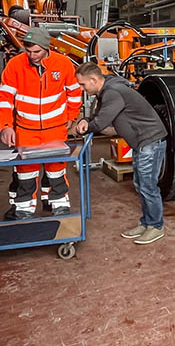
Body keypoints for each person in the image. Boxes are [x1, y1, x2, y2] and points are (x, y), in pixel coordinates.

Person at [72, 62, 167, 244]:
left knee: (148, 186)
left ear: (93, 79)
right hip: (141, 143)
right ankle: (146, 222)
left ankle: (156, 226)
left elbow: (101, 123)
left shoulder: (112, 92)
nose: (81, 88)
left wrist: (86, 127)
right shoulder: (106, 91)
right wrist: (85, 120)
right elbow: (98, 115)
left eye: (82, 84)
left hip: (150, 141)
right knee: (140, 185)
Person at [0, 28, 82, 219]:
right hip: (25, 130)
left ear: (47, 48)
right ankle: (24, 210)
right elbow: (4, 98)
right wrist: (6, 126)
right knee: (25, 172)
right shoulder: (15, 65)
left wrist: (72, 116)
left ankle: (59, 205)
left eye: (37, 51)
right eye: (28, 51)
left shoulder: (63, 63)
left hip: (56, 129)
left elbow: (74, 93)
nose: (32, 55)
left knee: (56, 169)